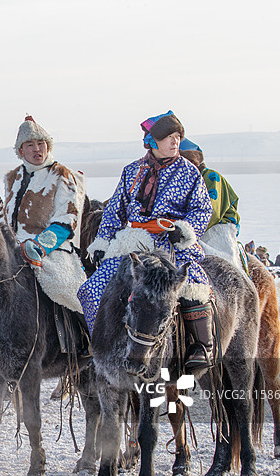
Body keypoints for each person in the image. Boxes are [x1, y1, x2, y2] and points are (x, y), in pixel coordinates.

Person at [78, 111, 214, 373]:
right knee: (90, 290)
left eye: (178, 137)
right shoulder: (132, 172)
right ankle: (102, 344)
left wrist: (184, 229)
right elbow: (115, 210)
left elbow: (202, 209)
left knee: (195, 288)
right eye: (169, 138)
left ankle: (201, 347)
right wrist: (103, 242)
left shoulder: (190, 173)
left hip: (171, 242)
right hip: (134, 243)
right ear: (153, 141)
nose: (175, 142)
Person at [3, 115, 87, 315]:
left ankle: (86, 340)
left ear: (48, 147)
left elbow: (67, 219)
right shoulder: (12, 177)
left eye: (41, 144)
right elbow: (4, 219)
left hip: (51, 249)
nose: (37, 149)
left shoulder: (61, 175)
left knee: (69, 292)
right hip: (12, 248)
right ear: (21, 150)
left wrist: (39, 246)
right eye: (30, 144)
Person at [179, 139, 244, 271]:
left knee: (222, 267)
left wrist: (185, 231)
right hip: (186, 228)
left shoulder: (211, 177)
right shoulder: (179, 181)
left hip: (214, 229)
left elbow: (211, 212)